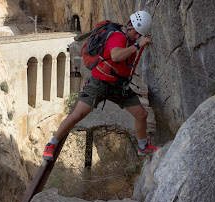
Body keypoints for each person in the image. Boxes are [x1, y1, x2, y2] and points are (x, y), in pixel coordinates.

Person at [43, 11, 159, 161]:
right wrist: (138, 45)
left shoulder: (129, 38)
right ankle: (51, 144)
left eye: (140, 35)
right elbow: (116, 55)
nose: (137, 37)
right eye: (137, 33)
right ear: (129, 25)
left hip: (118, 86)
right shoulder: (118, 37)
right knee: (77, 115)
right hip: (100, 83)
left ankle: (143, 147)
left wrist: (140, 42)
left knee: (142, 114)